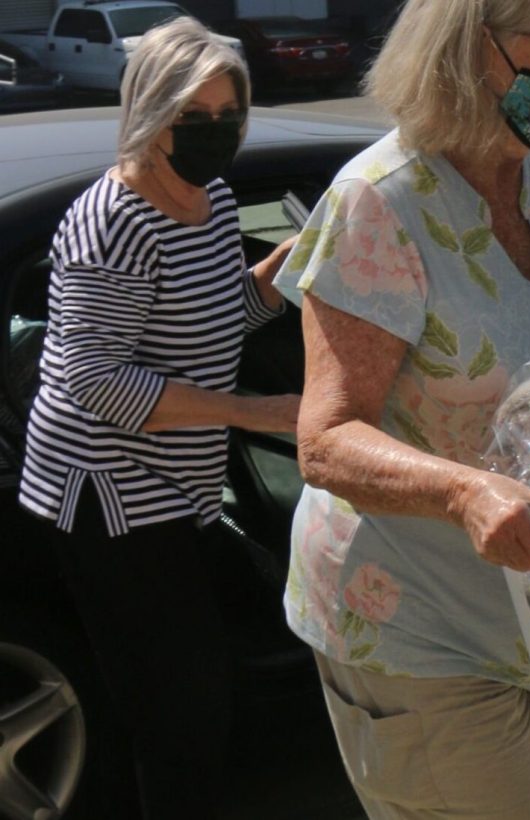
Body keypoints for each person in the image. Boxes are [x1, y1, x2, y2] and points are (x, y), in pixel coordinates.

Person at [274, 0, 530, 817]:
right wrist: (465, 490)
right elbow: (326, 440)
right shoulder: (380, 202)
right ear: (467, 50)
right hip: (413, 622)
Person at [18, 17, 298, 818]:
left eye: (228, 117)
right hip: (108, 497)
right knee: (179, 716)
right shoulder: (113, 222)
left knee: (199, 699)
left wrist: (286, 271)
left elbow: (216, 315)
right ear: (148, 115)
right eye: (194, 119)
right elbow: (93, 380)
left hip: (176, 488)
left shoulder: (207, 199)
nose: (215, 135)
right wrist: (260, 412)